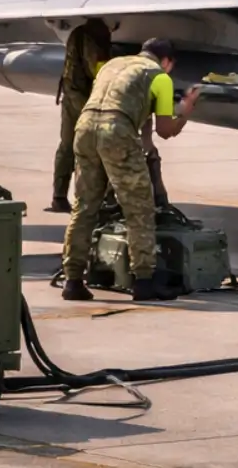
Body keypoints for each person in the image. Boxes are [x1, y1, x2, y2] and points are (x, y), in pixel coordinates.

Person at [60, 38, 199, 302]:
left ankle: (73, 280)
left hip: (86, 128)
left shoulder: (113, 65)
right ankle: (144, 282)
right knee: (139, 208)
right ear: (166, 60)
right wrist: (186, 110)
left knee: (85, 207)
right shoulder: (160, 78)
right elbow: (165, 130)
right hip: (117, 133)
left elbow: (129, 106)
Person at [48, 18, 114, 213]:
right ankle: (93, 197)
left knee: (67, 145)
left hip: (70, 93)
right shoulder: (94, 35)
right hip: (84, 97)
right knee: (93, 146)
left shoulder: (78, 32)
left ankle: (59, 196)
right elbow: (96, 67)